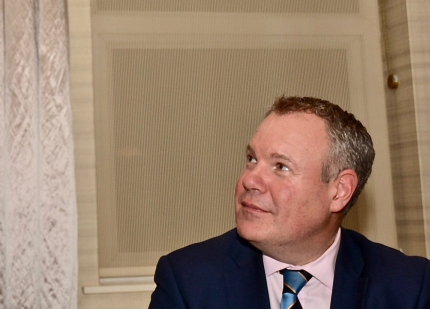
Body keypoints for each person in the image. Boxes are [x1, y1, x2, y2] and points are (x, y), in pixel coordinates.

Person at [148, 96, 430, 309]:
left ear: (339, 191)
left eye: (281, 167)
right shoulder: (188, 281)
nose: (250, 180)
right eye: (251, 159)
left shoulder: (409, 286)